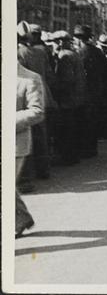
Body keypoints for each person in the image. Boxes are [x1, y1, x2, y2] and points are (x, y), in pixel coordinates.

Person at [17, 22, 56, 182]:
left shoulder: (20, 53)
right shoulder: (41, 52)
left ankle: (26, 175)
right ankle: (43, 169)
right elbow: (50, 73)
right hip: (43, 94)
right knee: (41, 134)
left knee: (27, 135)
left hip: (26, 97)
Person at [16, 56, 45, 237]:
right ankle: (22, 218)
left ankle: (19, 219)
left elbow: (37, 111)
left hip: (15, 142)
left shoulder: (30, 78)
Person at [73, 25, 107, 157]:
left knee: (83, 120)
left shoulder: (79, 53)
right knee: (93, 120)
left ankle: (84, 149)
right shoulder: (98, 52)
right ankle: (92, 148)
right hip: (96, 91)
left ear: (79, 39)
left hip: (84, 91)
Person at [51, 31, 88, 165]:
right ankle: (73, 156)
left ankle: (68, 157)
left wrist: (56, 89)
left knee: (66, 129)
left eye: (55, 42)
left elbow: (67, 79)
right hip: (77, 97)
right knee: (72, 127)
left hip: (67, 98)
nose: (54, 45)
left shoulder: (64, 56)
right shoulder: (74, 54)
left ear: (60, 42)